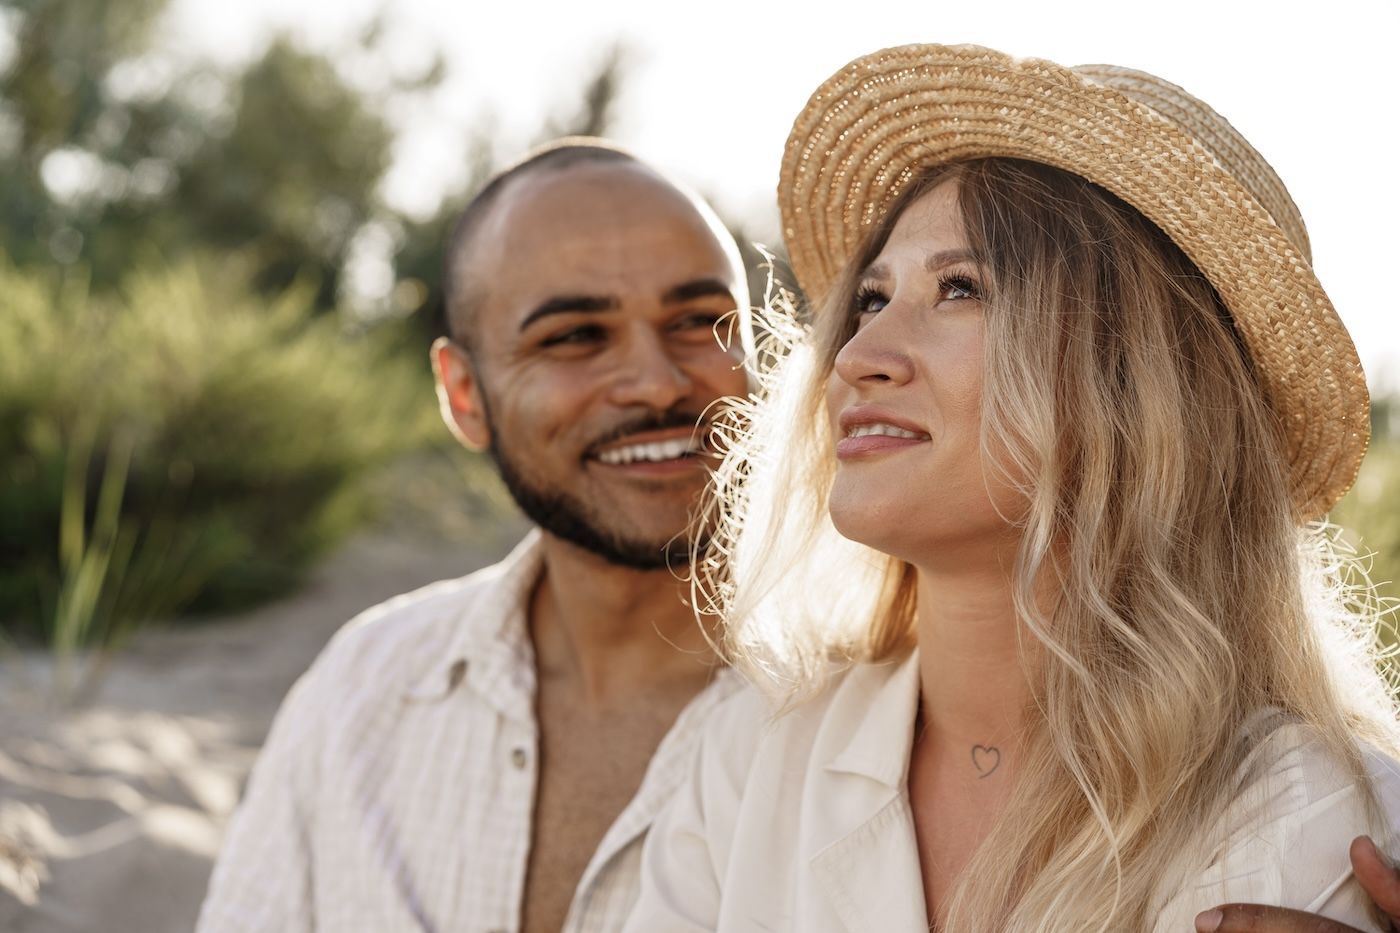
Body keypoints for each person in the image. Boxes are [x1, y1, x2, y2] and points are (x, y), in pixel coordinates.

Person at [625, 44, 1400, 932]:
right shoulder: (752, 754)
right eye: (872, 300)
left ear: (1137, 380)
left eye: (960, 289)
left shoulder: (1305, 812)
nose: (856, 358)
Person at [197, 138, 753, 932]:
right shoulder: (363, 687)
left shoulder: (860, 708)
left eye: (700, 320)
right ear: (464, 394)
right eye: (575, 335)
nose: (660, 382)